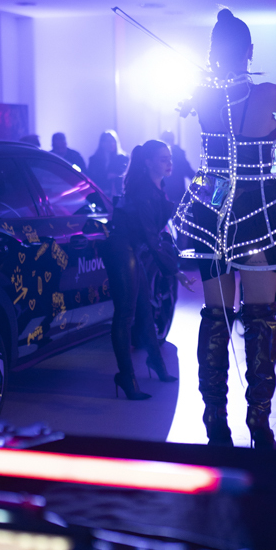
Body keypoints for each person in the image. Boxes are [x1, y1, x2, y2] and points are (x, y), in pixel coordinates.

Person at [173, 8, 276, 448]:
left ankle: (215, 423)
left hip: (209, 214)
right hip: (257, 215)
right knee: (261, 319)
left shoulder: (200, 94)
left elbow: (194, 103)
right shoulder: (265, 94)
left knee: (214, 317)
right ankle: (259, 423)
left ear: (212, 53)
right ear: (249, 51)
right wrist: (275, 93)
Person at [104, 140, 196, 400]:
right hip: (121, 249)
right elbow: (152, 237)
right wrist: (176, 271)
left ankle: (155, 362)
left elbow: (154, 234)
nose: (169, 163)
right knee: (126, 314)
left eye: (169, 158)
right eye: (163, 159)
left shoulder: (157, 189)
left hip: (132, 249)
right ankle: (126, 376)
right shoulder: (144, 193)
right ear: (148, 163)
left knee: (144, 308)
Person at [88, 130, 129, 199]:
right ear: (102, 143)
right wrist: (105, 176)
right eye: (108, 141)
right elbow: (91, 176)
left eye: (113, 141)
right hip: (99, 193)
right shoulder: (94, 159)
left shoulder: (123, 158)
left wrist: (116, 176)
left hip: (117, 193)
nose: (112, 144)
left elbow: (126, 174)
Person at [160, 130, 196, 203]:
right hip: (165, 195)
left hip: (177, 195)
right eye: (166, 139)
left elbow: (189, 172)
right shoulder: (178, 155)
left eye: (170, 140)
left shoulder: (179, 156)